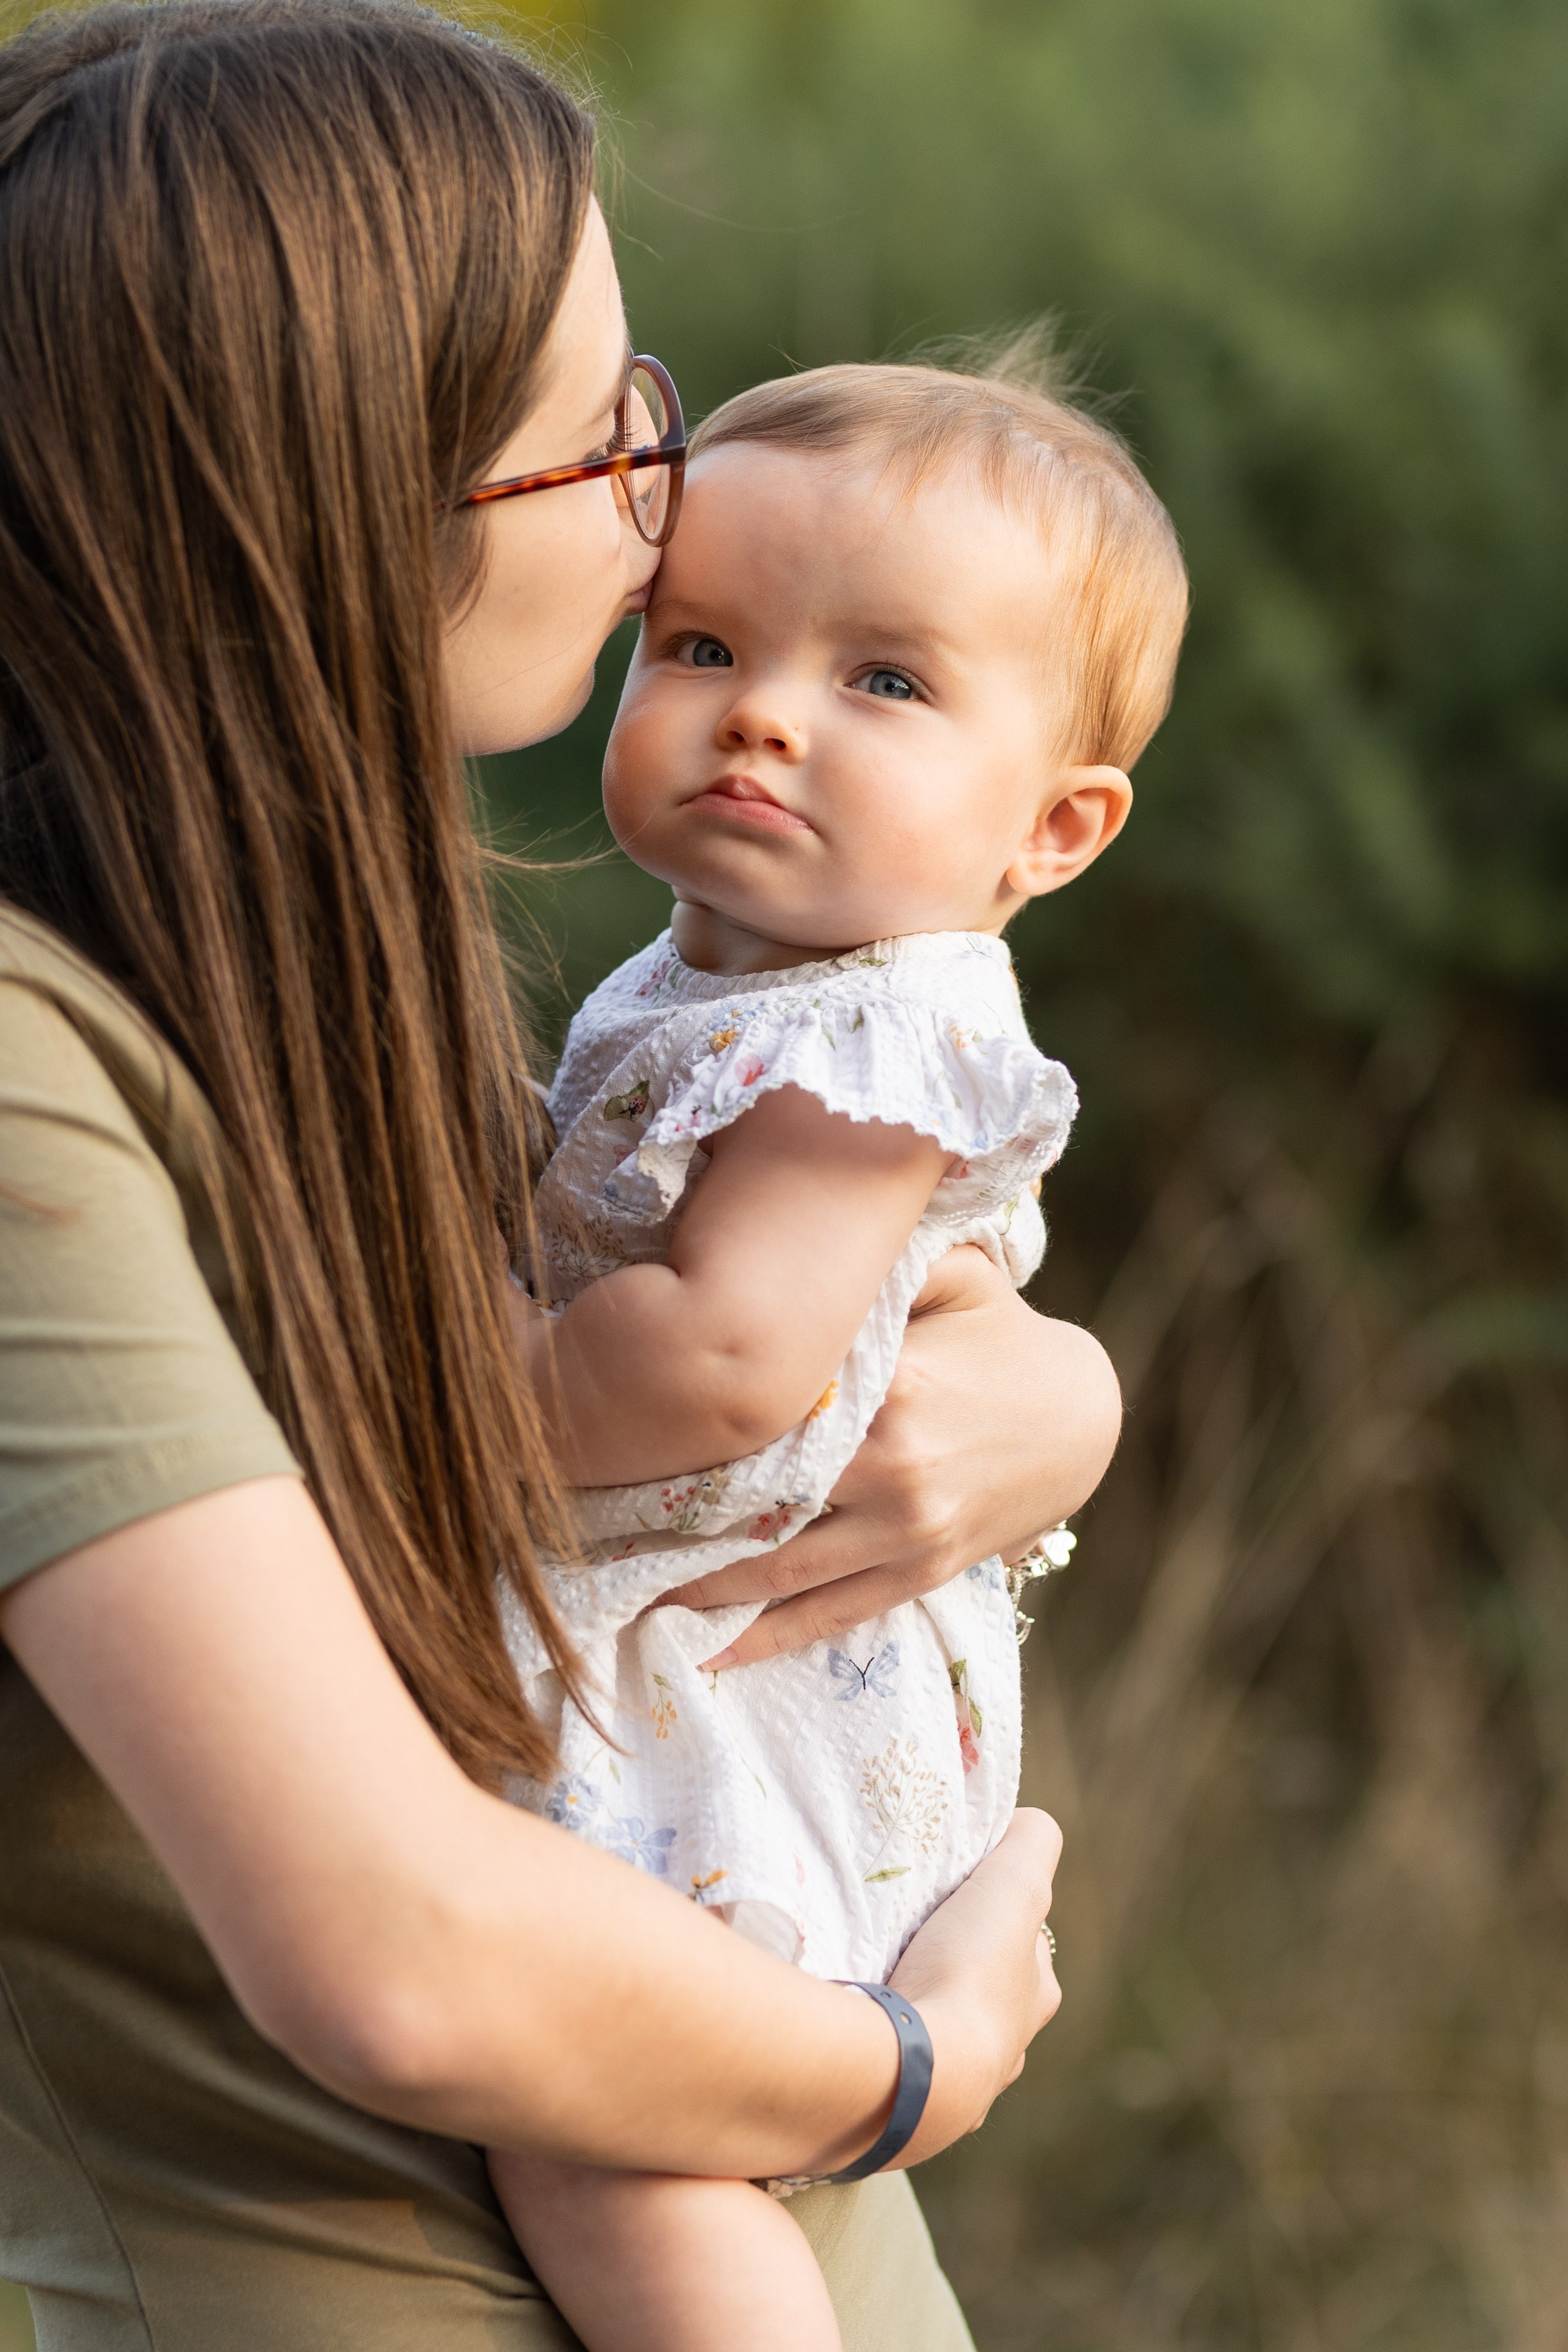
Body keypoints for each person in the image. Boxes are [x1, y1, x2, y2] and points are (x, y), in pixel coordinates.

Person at [0, 6, 1122, 2347]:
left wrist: (1044, 1395)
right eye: (608, 439)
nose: (658, 504)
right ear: (341, 493)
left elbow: (748, 1324)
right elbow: (394, 1955)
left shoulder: (319, 955)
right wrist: (908, 2066)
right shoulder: (34, 1062)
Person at [481, 356, 1188, 2351]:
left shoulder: (874, 1040)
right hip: (694, 1654)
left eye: (885, 681)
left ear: (1056, 826)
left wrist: (416, 1400)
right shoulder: (733, 977)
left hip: (754, 1697)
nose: (764, 712)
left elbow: (722, 1364)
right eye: (704, 644)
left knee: (616, 2135)